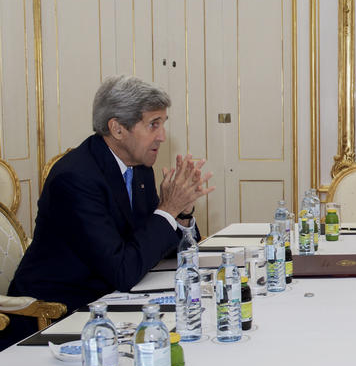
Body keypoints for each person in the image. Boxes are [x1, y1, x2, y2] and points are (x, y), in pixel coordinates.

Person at [5, 75, 213, 346]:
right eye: (153, 124)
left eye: (162, 124)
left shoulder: (139, 169)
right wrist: (167, 209)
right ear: (117, 129)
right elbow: (123, 270)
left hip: (110, 302)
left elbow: (159, 250)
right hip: (55, 319)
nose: (162, 136)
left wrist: (182, 213)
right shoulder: (75, 178)